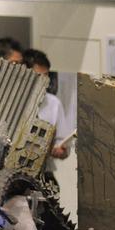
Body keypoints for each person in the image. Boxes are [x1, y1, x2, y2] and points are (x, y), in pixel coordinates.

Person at [21, 49, 71, 181]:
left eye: (47, 75)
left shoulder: (53, 103)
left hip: (44, 173)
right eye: (39, 76)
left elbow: (63, 145)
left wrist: (61, 150)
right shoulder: (13, 102)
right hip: (14, 172)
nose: (45, 81)